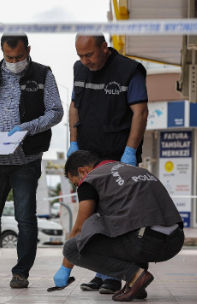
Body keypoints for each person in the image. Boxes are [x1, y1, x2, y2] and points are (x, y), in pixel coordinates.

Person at [0, 33, 63, 289]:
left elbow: (56, 111)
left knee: (25, 218)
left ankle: (20, 274)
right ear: (2, 51)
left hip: (26, 159)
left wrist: (28, 127)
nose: (14, 61)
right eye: (9, 56)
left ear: (28, 50)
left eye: (19, 56)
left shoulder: (42, 74)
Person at [66, 34, 149, 293]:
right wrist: (73, 142)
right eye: (80, 55)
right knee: (95, 216)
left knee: (121, 217)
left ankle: (119, 276)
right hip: (90, 156)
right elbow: (74, 107)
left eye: (89, 54)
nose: (84, 60)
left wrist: (130, 151)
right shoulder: (80, 69)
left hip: (118, 154)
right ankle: (103, 273)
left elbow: (140, 112)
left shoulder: (128, 70)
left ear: (104, 47)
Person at [53, 151, 184, 301]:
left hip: (147, 242)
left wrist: (65, 268)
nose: (78, 186)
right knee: (127, 226)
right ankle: (135, 285)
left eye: (76, 182)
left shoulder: (91, 180)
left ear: (82, 171)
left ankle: (134, 276)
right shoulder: (137, 170)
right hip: (175, 241)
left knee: (72, 248)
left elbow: (79, 229)